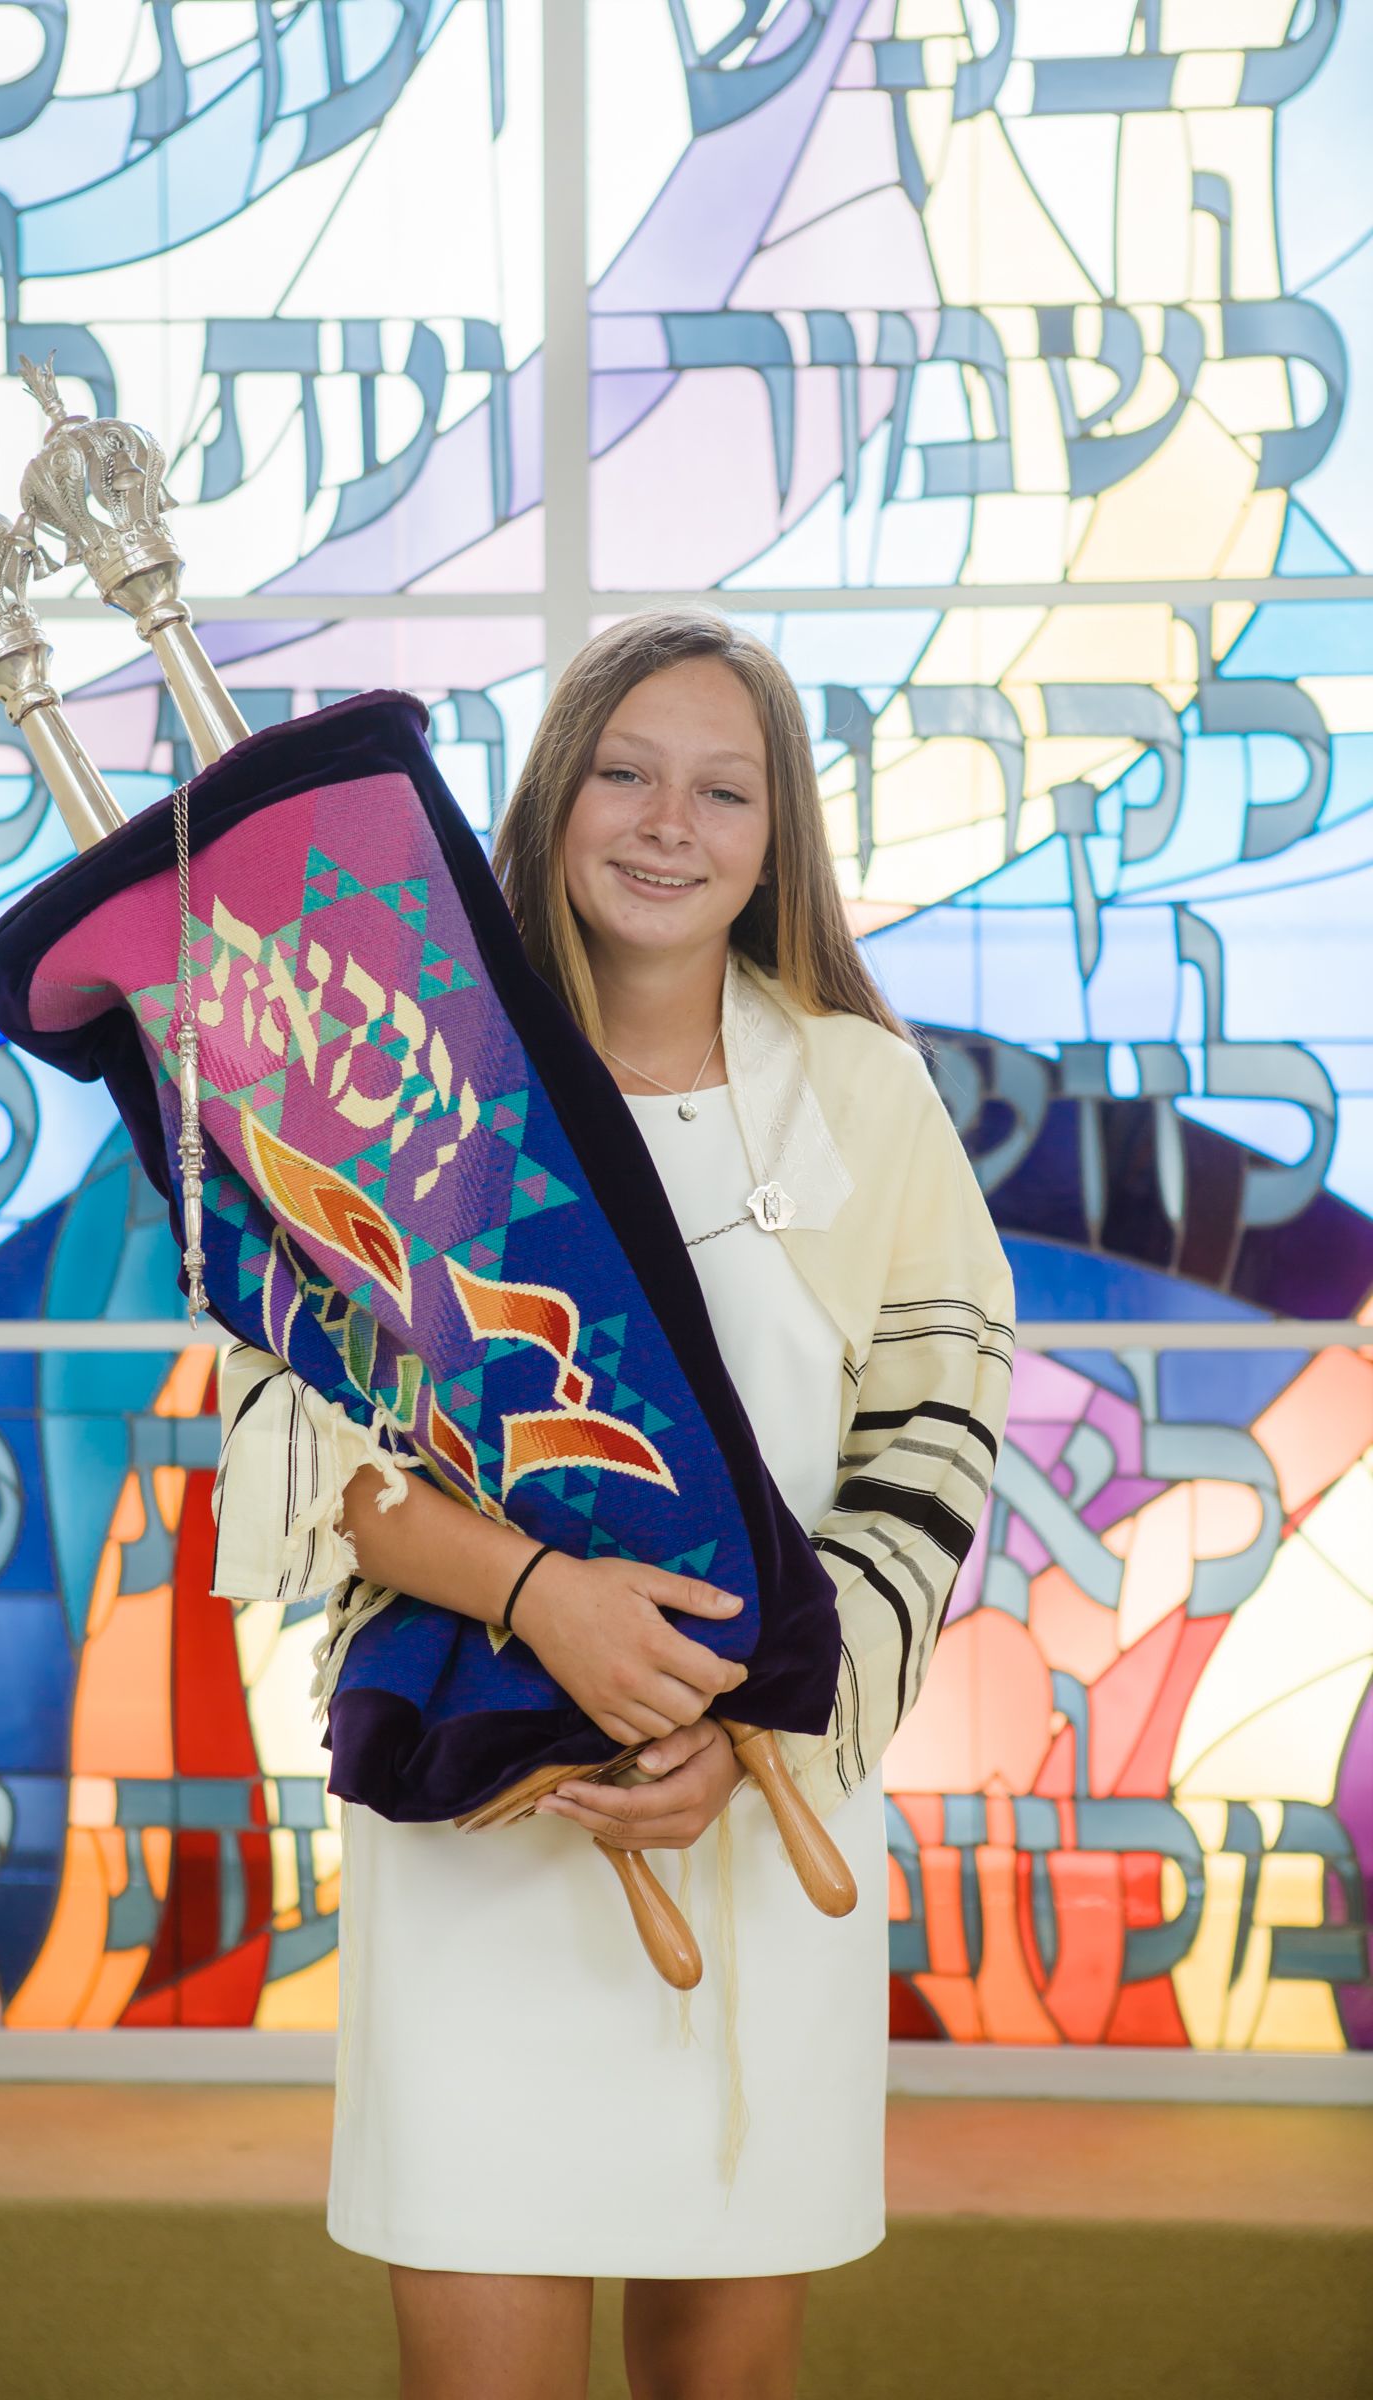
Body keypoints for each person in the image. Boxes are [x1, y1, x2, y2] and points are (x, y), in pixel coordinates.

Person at [261, 611, 1015, 2399]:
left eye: (724, 789)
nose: (669, 823)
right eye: (627, 772)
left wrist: (770, 1709)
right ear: (558, 792)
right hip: (488, 1829)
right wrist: (544, 1604)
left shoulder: (863, 1092)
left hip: (765, 1821)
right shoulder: (406, 1074)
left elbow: (942, 1413)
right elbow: (295, 1431)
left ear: (777, 842)